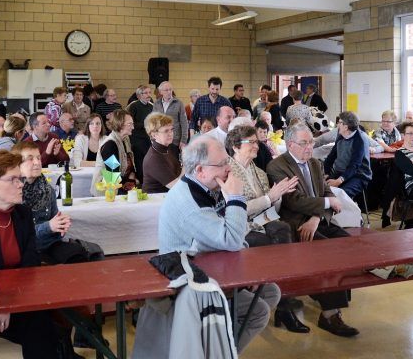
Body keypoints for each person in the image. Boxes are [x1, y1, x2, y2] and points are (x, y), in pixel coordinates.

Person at [150, 135, 281, 353]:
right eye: (221, 164)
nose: (229, 168)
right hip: (188, 279)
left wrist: (244, 270)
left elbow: (233, 234)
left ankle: (217, 344)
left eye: (227, 161)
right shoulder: (190, 202)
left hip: (211, 263)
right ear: (200, 170)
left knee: (271, 292)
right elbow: (232, 239)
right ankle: (218, 352)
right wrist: (236, 197)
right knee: (258, 311)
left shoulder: (206, 186)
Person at [0, 150, 76, 356]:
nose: (21, 184)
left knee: (41, 323)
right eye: (13, 179)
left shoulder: (23, 214)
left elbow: (30, 265)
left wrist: (10, 304)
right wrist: (1, 305)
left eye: (20, 178)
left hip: (18, 297)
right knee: (41, 326)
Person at [266, 123, 359, 337]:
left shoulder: (316, 163)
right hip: (295, 224)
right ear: (290, 144)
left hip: (318, 220)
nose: (309, 147)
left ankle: (330, 292)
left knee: (349, 245)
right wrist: (325, 204)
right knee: (326, 252)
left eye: (311, 142)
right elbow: (294, 201)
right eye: (304, 143)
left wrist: (317, 217)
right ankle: (330, 315)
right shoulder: (277, 166)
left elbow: (327, 193)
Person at [225, 126, 305, 332]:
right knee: (274, 245)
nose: (256, 146)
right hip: (240, 227)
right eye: (251, 142)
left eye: (256, 142)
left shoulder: (259, 172)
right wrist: (270, 197)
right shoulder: (227, 172)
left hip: (262, 222)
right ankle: (281, 304)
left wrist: (278, 196)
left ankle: (279, 301)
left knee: (283, 228)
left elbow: (271, 209)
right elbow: (236, 209)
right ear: (235, 146)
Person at [12, 142, 88, 265]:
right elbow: (18, 234)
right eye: (30, 159)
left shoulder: (47, 189)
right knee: (39, 264)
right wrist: (49, 226)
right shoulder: (13, 193)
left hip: (49, 244)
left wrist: (60, 225)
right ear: (17, 165)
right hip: (25, 248)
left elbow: (55, 225)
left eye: (38, 158)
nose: (37, 162)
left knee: (78, 256)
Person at [323, 111, 372, 199]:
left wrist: (339, 181)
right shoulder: (341, 135)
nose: (337, 125)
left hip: (359, 175)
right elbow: (331, 157)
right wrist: (325, 173)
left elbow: (354, 165)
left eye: (339, 122)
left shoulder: (360, 140)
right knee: (321, 189)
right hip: (341, 173)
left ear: (346, 127)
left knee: (341, 195)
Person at [91, 109, 137, 193]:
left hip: (121, 186)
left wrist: (132, 180)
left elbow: (131, 165)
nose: (133, 127)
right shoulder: (109, 145)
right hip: (106, 192)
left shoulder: (125, 139)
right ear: (120, 124)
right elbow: (112, 175)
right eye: (129, 124)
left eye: (132, 124)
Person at [141, 113, 181, 193]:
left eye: (171, 129)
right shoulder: (154, 158)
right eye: (166, 131)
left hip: (167, 195)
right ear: (154, 135)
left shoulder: (166, 149)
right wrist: (187, 166)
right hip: (154, 198)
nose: (171, 134)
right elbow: (175, 186)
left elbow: (177, 172)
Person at [127, 85, 155, 181]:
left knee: (149, 160)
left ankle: (148, 179)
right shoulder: (134, 106)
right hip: (137, 138)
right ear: (139, 95)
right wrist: (145, 124)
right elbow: (131, 123)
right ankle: (141, 180)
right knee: (139, 161)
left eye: (149, 92)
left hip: (148, 138)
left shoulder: (152, 106)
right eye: (146, 93)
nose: (148, 95)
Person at [152, 81, 189, 153]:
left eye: (170, 89)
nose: (169, 92)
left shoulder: (179, 103)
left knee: (173, 159)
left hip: (174, 140)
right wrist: (153, 137)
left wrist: (183, 140)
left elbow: (184, 122)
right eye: (166, 90)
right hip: (160, 139)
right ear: (161, 92)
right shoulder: (156, 103)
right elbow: (154, 122)